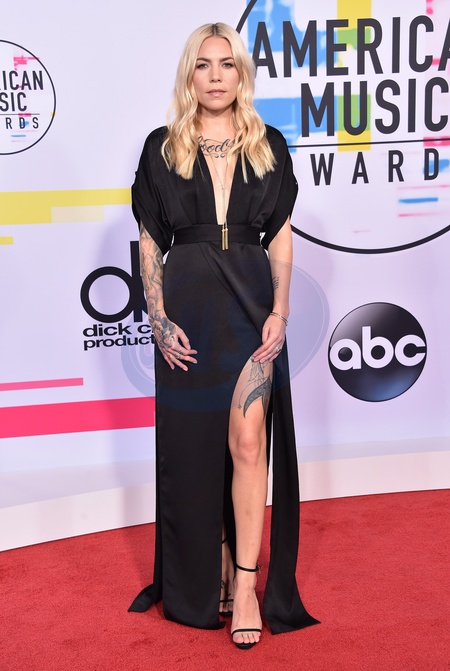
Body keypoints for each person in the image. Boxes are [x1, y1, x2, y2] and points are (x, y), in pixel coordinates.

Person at [128, 22, 318, 649]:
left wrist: (281, 309)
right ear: (191, 74)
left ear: (242, 74)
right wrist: (157, 317)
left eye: (227, 64)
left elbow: (281, 234)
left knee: (247, 442)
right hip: (187, 307)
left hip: (249, 303)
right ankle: (204, 569)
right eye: (204, 64)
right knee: (196, 450)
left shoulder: (268, 145)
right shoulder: (162, 148)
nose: (216, 76)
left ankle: (245, 583)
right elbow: (151, 241)